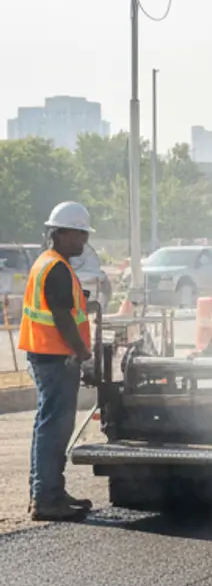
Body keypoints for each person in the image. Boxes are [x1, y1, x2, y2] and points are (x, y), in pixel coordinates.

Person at [18, 202, 96, 521]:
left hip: (44, 355)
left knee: (47, 426)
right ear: (61, 234)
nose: (83, 242)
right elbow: (62, 316)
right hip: (56, 358)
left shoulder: (47, 263)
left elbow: (64, 308)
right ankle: (47, 499)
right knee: (54, 427)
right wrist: (82, 351)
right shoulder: (57, 268)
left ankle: (46, 491)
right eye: (79, 235)